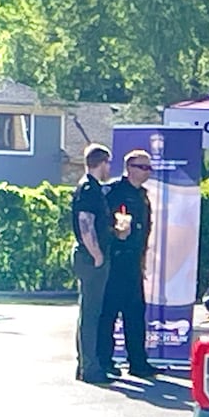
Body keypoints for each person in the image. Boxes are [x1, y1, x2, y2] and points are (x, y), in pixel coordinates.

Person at [97, 149, 158, 379]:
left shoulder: (142, 195)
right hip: (116, 260)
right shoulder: (113, 192)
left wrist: (142, 259)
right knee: (109, 313)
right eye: (143, 167)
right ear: (130, 168)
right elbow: (101, 224)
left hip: (133, 261)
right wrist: (115, 233)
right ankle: (105, 360)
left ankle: (138, 363)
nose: (147, 172)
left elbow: (145, 231)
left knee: (135, 313)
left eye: (149, 168)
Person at [71, 143, 129, 384]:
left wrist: (115, 232)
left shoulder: (93, 189)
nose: (109, 169)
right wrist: (96, 254)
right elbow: (85, 223)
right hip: (90, 258)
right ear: (101, 163)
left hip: (92, 255)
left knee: (90, 312)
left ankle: (86, 364)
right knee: (91, 314)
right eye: (108, 163)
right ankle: (90, 368)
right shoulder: (89, 189)